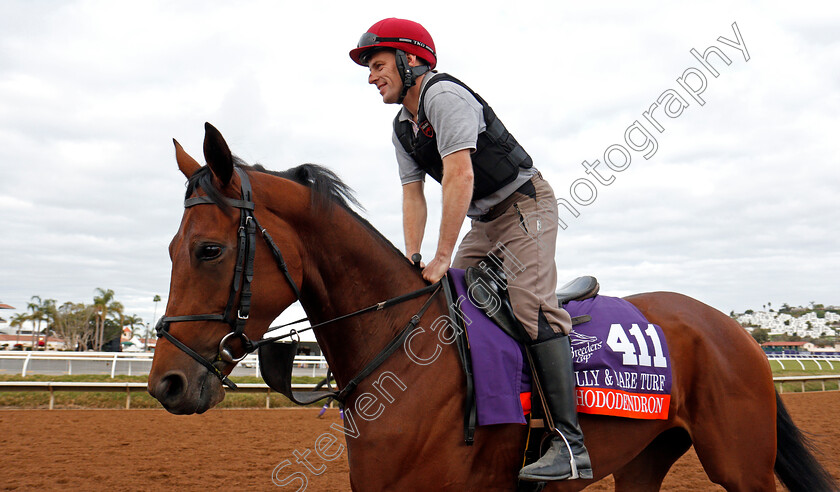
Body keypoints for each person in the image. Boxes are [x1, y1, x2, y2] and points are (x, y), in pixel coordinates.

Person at [349, 18, 592, 482]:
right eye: (370, 68)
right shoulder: (403, 126)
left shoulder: (444, 96)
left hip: (526, 206)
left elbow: (460, 175)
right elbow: (412, 194)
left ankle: (569, 444)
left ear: (410, 59)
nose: (371, 76)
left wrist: (443, 256)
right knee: (448, 305)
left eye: (378, 65)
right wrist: (414, 256)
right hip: (483, 221)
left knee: (528, 305)